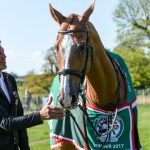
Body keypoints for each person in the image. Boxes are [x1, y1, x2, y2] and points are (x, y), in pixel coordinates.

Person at [0, 41, 65, 150]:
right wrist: (40, 115)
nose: (5, 56)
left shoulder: (9, 79)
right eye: (0, 54)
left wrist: (25, 148)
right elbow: (6, 122)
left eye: (3, 52)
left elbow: (19, 115)